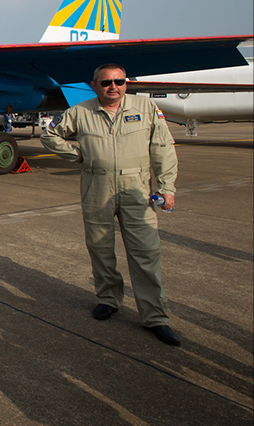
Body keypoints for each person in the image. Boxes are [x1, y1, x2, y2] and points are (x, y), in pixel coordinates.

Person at [40, 63, 181, 347]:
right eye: (106, 83)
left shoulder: (146, 108)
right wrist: (78, 155)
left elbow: (163, 148)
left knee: (146, 251)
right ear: (95, 85)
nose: (113, 87)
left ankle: (155, 316)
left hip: (136, 188)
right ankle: (108, 299)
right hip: (97, 186)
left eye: (119, 81)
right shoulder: (81, 112)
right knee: (100, 248)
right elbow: (49, 134)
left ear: (126, 83)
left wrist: (166, 187)